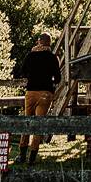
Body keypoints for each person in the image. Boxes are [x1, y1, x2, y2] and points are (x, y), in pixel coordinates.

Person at [18, 33, 62, 163]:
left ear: (39, 42)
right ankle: (32, 157)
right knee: (38, 125)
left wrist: (32, 75)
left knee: (27, 122)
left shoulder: (30, 56)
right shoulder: (52, 57)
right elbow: (58, 78)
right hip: (45, 93)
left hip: (31, 91)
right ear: (49, 43)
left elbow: (22, 71)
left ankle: (22, 155)